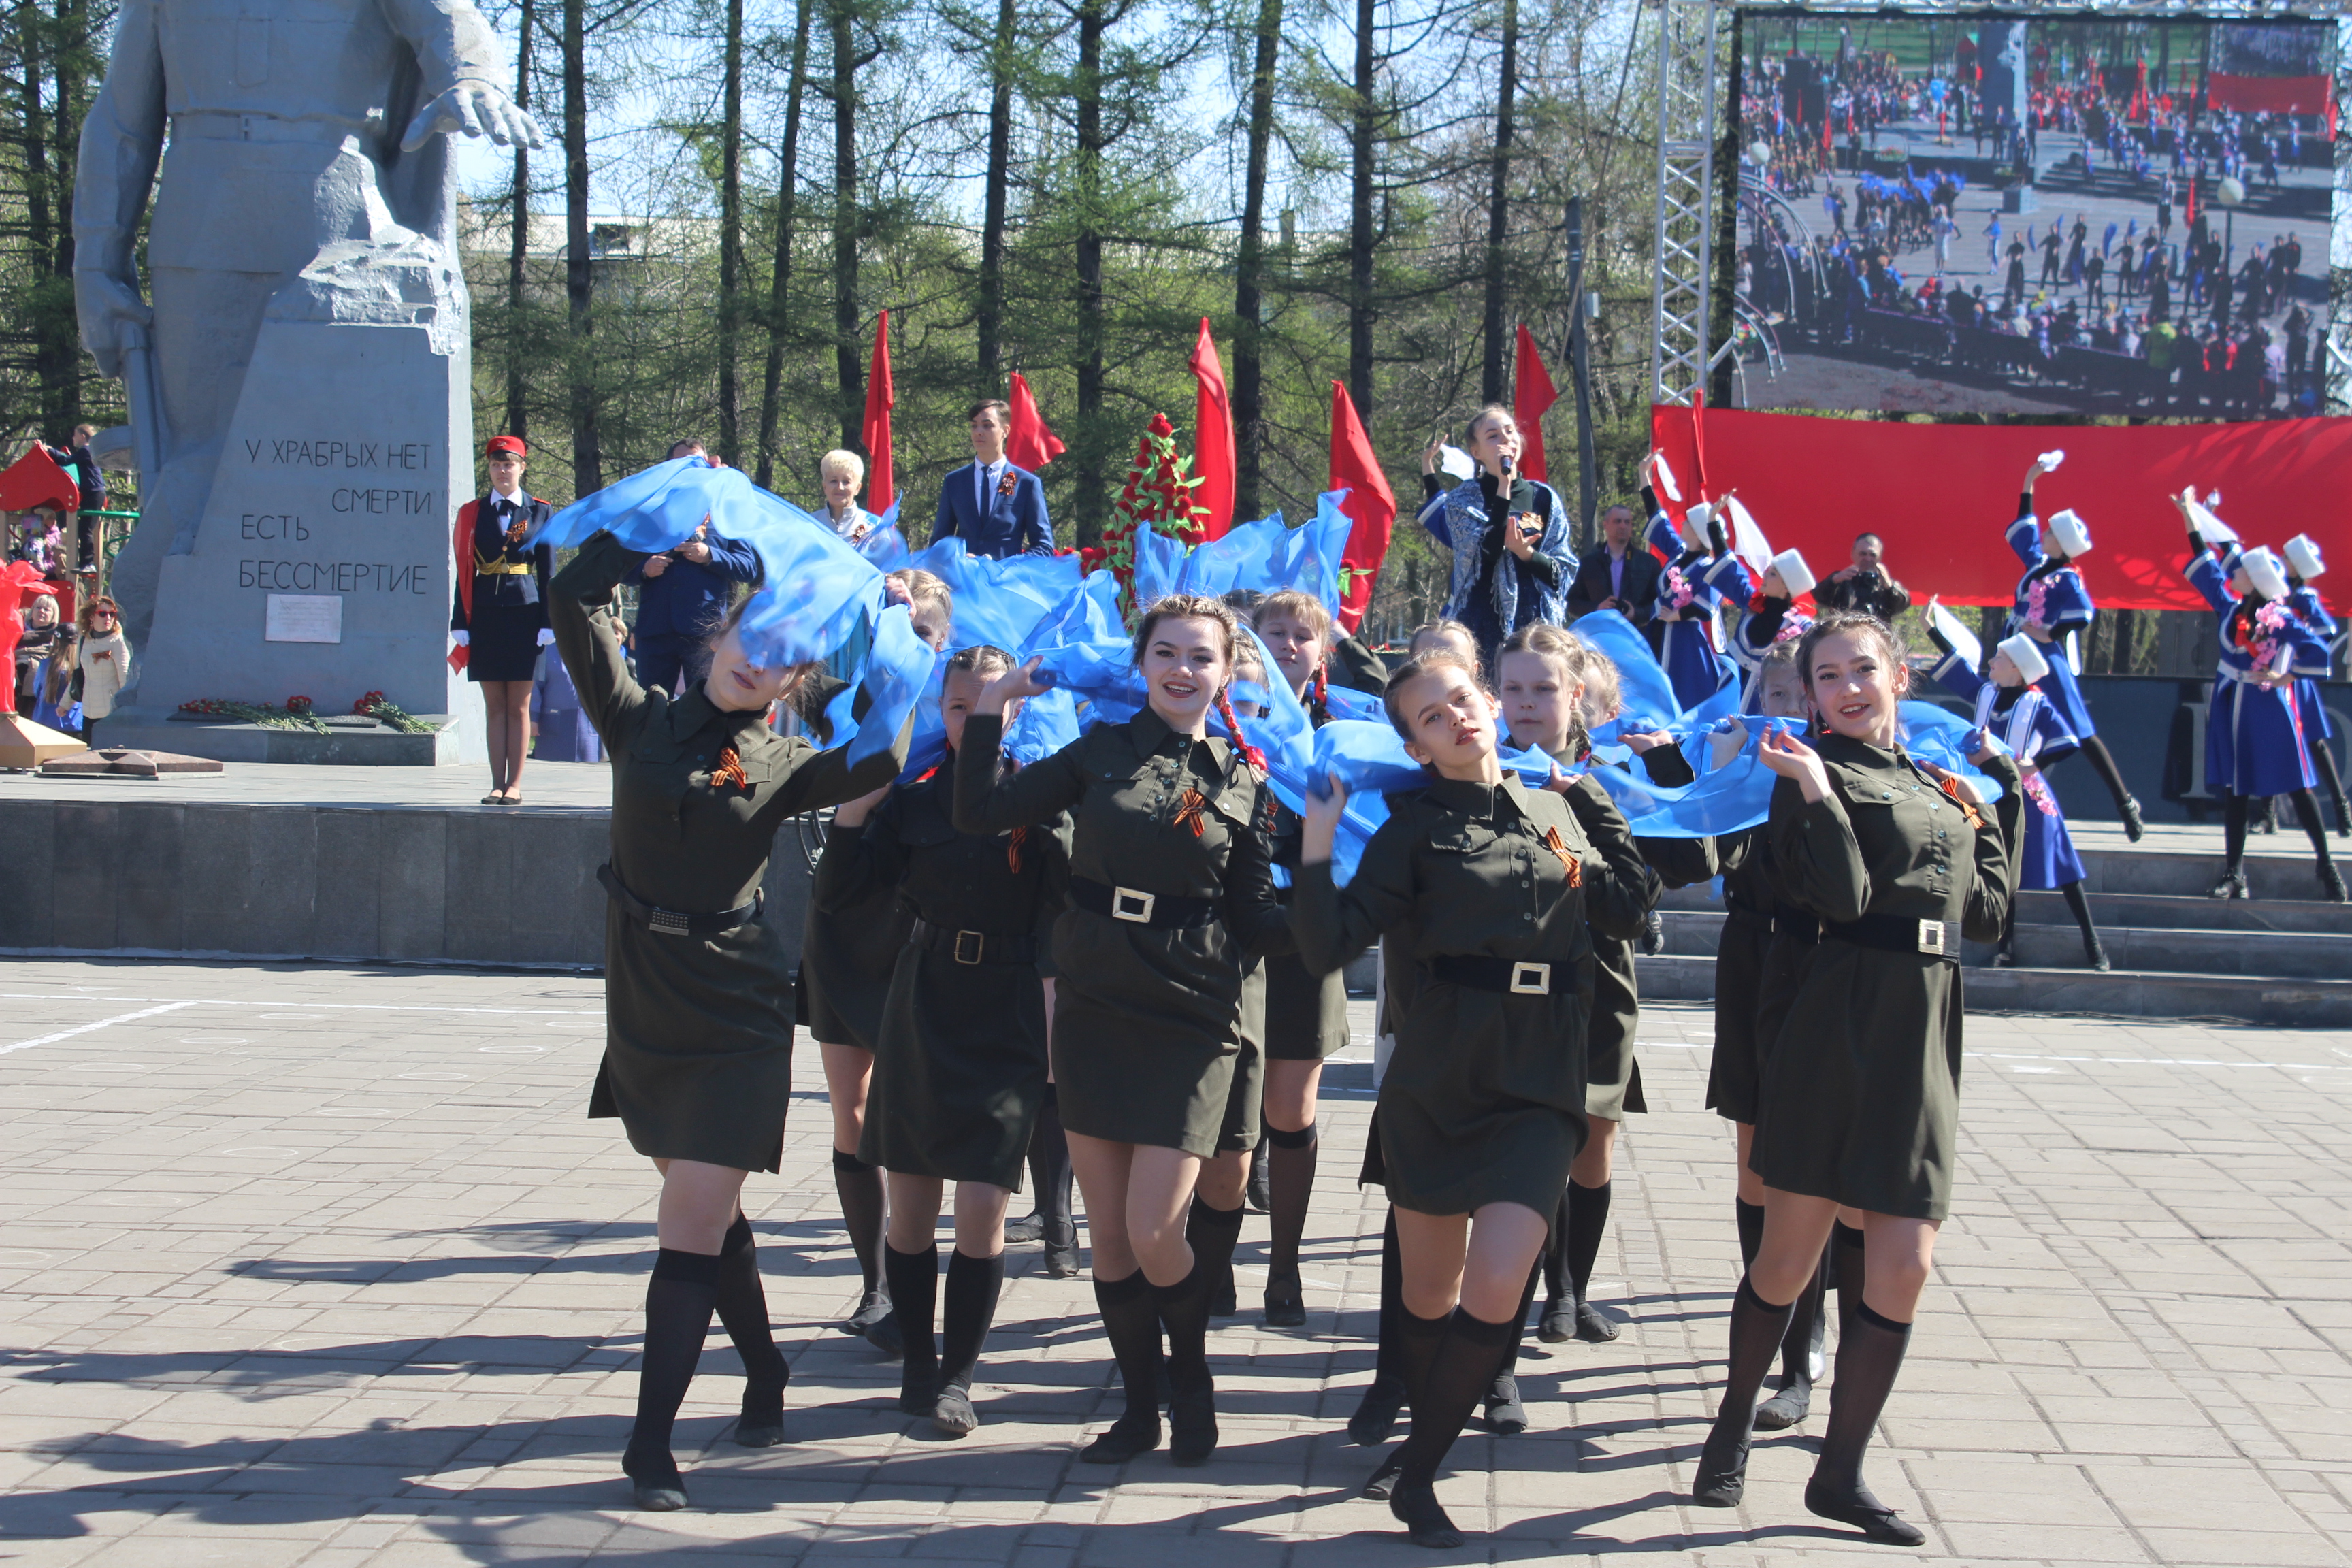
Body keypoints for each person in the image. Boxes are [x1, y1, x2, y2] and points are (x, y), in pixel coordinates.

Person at [543, 526, 912, 1511]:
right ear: (718, 634)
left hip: (738, 1001)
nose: (764, 656)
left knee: (687, 1226)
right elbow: (569, 603)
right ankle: (768, 1370)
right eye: (754, 632)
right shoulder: (635, 718)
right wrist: (641, 542)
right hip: (643, 990)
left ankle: (650, 1448)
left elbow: (884, 748)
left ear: (798, 673)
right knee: (706, 1212)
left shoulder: (790, 759)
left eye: (790, 648)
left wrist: (896, 635)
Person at [1292, 644, 1641, 1548]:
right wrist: (1319, 843)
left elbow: (1630, 906)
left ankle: (1417, 1474)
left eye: (1461, 699)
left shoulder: (1556, 808)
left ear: (1487, 700)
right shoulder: (1411, 828)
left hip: (1541, 1074)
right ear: (1416, 746)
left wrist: (1592, 795)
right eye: (1432, 717)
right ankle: (1412, 1450)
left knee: (1496, 1287)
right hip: (1442, 1074)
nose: (1458, 718)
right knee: (1429, 1293)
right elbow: (1327, 945)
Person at [1693, 611, 2023, 1546]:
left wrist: (2005, 805)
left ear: (1899, 676)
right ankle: (1731, 1426)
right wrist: (1819, 793)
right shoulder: (1806, 775)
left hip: (1923, 1025)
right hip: (1834, 1021)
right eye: (1827, 673)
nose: (1846, 687)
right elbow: (1839, 899)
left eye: (1862, 669)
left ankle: (1838, 1475)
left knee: (1907, 1263)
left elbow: (1991, 914)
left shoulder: (1940, 782)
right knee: (1789, 1258)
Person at [954, 594, 1290, 1468]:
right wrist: (993, 708)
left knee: (1152, 1229)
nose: (1184, 669)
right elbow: (981, 812)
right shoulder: (1100, 749)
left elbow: (1256, 918)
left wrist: (1339, 905)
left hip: (1193, 1006)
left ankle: (1192, 1378)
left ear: (1225, 673)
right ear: (1142, 665)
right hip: (1100, 998)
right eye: (1168, 653)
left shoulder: (1244, 777)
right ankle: (1141, 1410)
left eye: (1203, 657)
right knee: (1110, 1238)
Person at [818, 644, 1071, 1437]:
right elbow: (840, 893)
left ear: (1017, 710)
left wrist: (1059, 1025)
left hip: (1007, 1012)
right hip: (923, 1001)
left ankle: (958, 1377)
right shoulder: (916, 802)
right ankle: (919, 1366)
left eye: (989, 705)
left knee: (984, 1210)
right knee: (912, 1211)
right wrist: (858, 802)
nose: (971, 720)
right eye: (958, 707)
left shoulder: (1040, 800)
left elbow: (1063, 923)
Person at [800, 568, 956, 1356]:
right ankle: (875, 1282)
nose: (913, 649)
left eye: (925, 636)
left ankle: (911, 1270)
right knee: (852, 1113)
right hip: (845, 919)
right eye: (900, 634)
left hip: (916, 927)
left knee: (909, 1114)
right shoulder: (845, 703)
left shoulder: (962, 711)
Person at [1703, 640, 1829, 1431]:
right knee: (1756, 1167)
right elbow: (1696, 858)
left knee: (1813, 1179)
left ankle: (1803, 1346)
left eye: (1796, 694)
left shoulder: (1839, 774)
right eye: (1770, 693)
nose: (1781, 710)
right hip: (1752, 960)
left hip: (1824, 963)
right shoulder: (1744, 765)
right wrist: (1714, 774)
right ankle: (1779, 1324)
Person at [1243, 590, 1354, 1326]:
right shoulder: (1226, 722)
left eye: (1303, 635)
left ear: (1325, 651)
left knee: (1289, 1108)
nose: (1288, 644)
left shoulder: (1343, 731)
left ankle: (1284, 1268)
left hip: (1307, 936)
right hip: (1230, 936)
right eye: (1273, 632)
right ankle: (1205, 1257)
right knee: (1222, 1114)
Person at [2175, 502, 2344, 902]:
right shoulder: (2232, 609)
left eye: (2243, 569)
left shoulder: (2280, 617)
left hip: (2269, 709)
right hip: (2233, 706)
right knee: (2235, 790)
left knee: (2299, 788)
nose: (2234, 572)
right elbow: (2206, 563)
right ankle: (2234, 873)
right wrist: (2188, 514)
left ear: (2255, 579)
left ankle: (2327, 866)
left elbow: (2319, 651)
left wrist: (2285, 677)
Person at [1926, 627, 2109, 969]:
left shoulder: (2036, 704)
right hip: (1986, 790)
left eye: (2000, 658)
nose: (1992, 662)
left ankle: (2094, 945)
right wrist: (1931, 629)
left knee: (2064, 868)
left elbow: (2067, 740)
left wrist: (2035, 764)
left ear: (2017, 669)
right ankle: (2005, 947)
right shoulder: (1987, 695)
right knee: (2004, 867)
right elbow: (1958, 669)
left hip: (2028, 792)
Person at [2005, 457, 2145, 837]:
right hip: (2017, 657)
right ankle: (2014, 809)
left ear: (2060, 542)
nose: (2043, 533)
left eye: (2049, 531)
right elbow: (2023, 529)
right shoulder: (2038, 564)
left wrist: (2048, 632)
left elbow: (2081, 613)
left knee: (2081, 733)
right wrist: (2029, 479)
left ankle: (2125, 803)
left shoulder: (2067, 577)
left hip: (2046, 662)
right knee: (2015, 731)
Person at [1418, 406, 1575, 674]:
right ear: (1477, 452)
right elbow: (1486, 552)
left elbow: (1562, 574)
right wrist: (1504, 487)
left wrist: (1526, 554)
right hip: (1481, 627)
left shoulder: (1544, 498)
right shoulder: (1462, 500)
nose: (1505, 439)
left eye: (1510, 431)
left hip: (1536, 631)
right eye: (1493, 435)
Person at [449, 435, 555, 805]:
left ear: (522, 467)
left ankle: (516, 784)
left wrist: (549, 620)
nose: (502, 471)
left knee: (519, 705)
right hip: (486, 614)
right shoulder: (473, 512)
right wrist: (459, 621)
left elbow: (549, 573)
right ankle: (497, 782)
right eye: (495, 465)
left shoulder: (539, 511)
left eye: (509, 464)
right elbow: (463, 570)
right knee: (494, 705)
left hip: (526, 613)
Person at [628, 445, 761, 697]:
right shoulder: (650, 511)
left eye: (695, 464)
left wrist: (710, 556)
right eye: (681, 464)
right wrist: (644, 569)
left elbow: (748, 567)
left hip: (703, 631)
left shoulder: (723, 512)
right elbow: (621, 567)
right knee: (650, 706)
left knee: (704, 704)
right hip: (656, 628)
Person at [2281, 534, 2348, 836]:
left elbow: (2326, 631)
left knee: (2315, 744)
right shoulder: (2279, 595)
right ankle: (2268, 815)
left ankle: (2341, 808)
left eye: (2286, 559)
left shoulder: (2303, 598)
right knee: (2274, 741)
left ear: (2295, 567)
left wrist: (2301, 651)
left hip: (2295, 681)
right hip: (2276, 676)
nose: (2282, 563)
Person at [932, 401, 1053, 557]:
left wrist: (1006, 566)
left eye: (987, 425)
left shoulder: (1026, 483)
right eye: (974, 426)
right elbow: (939, 542)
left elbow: (1044, 546)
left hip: (1006, 579)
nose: (978, 432)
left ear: (1005, 430)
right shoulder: (954, 481)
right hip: (963, 579)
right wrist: (959, 559)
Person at [1565, 502, 1663, 630]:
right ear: (1605, 525)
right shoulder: (1588, 564)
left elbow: (1659, 603)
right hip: (1599, 633)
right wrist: (1597, 608)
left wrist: (1636, 613)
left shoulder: (1648, 563)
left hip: (1636, 635)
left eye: (1627, 522)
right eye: (1618, 521)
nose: (1623, 526)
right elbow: (1571, 603)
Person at [1814, 534, 1910, 622]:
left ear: (1880, 557)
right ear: (1853, 554)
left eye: (1873, 555)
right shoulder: (1842, 580)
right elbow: (1820, 597)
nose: (1868, 559)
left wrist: (1890, 587)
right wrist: (1834, 581)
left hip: (1876, 635)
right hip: (1845, 633)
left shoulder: (1884, 584)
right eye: (1863, 554)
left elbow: (1902, 605)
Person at [74, 595, 130, 746]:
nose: (108, 618)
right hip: (88, 710)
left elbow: (125, 676)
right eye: (103, 613)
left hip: (110, 711)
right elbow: (79, 676)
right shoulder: (83, 640)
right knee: (88, 754)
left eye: (112, 614)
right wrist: (64, 705)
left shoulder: (117, 641)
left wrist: (125, 707)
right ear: (91, 616)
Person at [818, 449, 881, 541]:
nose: (840, 487)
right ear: (824, 486)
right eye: (834, 481)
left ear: (857, 488)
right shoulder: (810, 524)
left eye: (846, 482)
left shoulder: (875, 527)